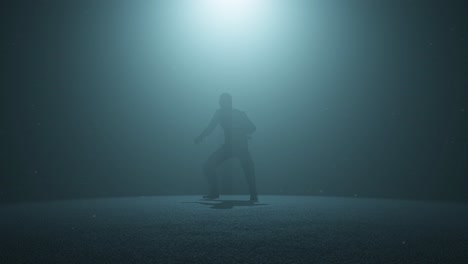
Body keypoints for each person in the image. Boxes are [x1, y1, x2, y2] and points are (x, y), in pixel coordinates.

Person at [195, 93, 258, 201]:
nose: (220, 103)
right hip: (233, 146)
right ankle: (253, 195)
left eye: (222, 100)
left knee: (249, 170)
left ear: (227, 102)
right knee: (208, 166)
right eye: (220, 100)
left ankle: (253, 195)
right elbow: (252, 128)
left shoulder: (234, 113)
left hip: (236, 147)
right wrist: (200, 136)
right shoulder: (230, 113)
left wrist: (200, 137)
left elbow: (252, 128)